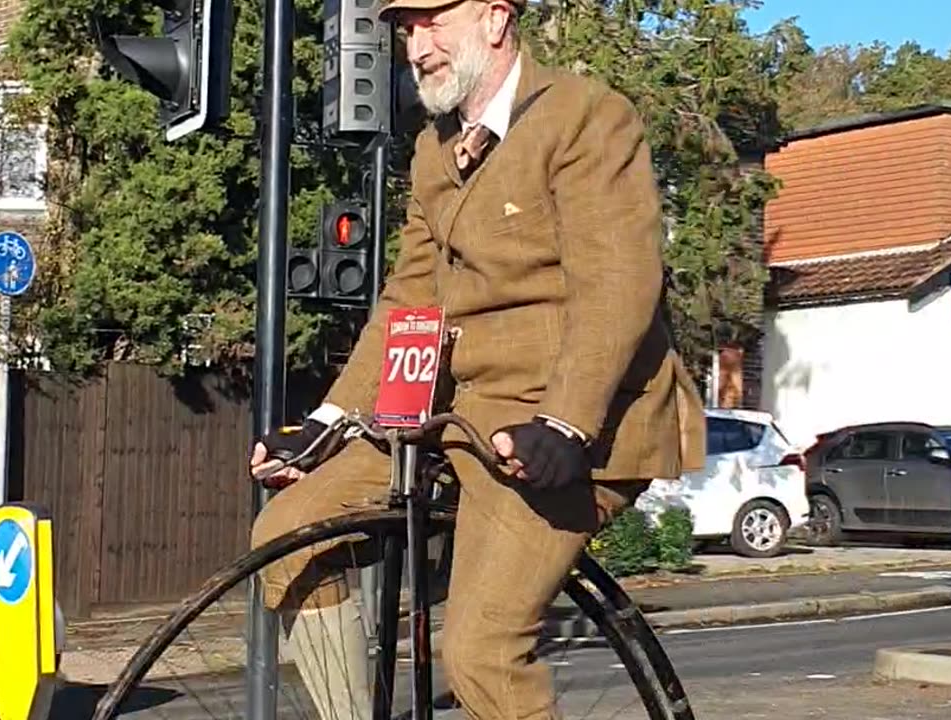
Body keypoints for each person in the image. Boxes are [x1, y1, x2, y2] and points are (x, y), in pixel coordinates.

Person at [248, 0, 707, 717]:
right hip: (457, 417)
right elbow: (408, 300)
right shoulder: (436, 148)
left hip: (563, 427)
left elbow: (618, 285)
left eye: (434, 22)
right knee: (286, 536)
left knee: (481, 653)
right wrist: (330, 418)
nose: (415, 45)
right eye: (406, 29)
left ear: (496, 21)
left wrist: (565, 422)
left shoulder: (585, 117)